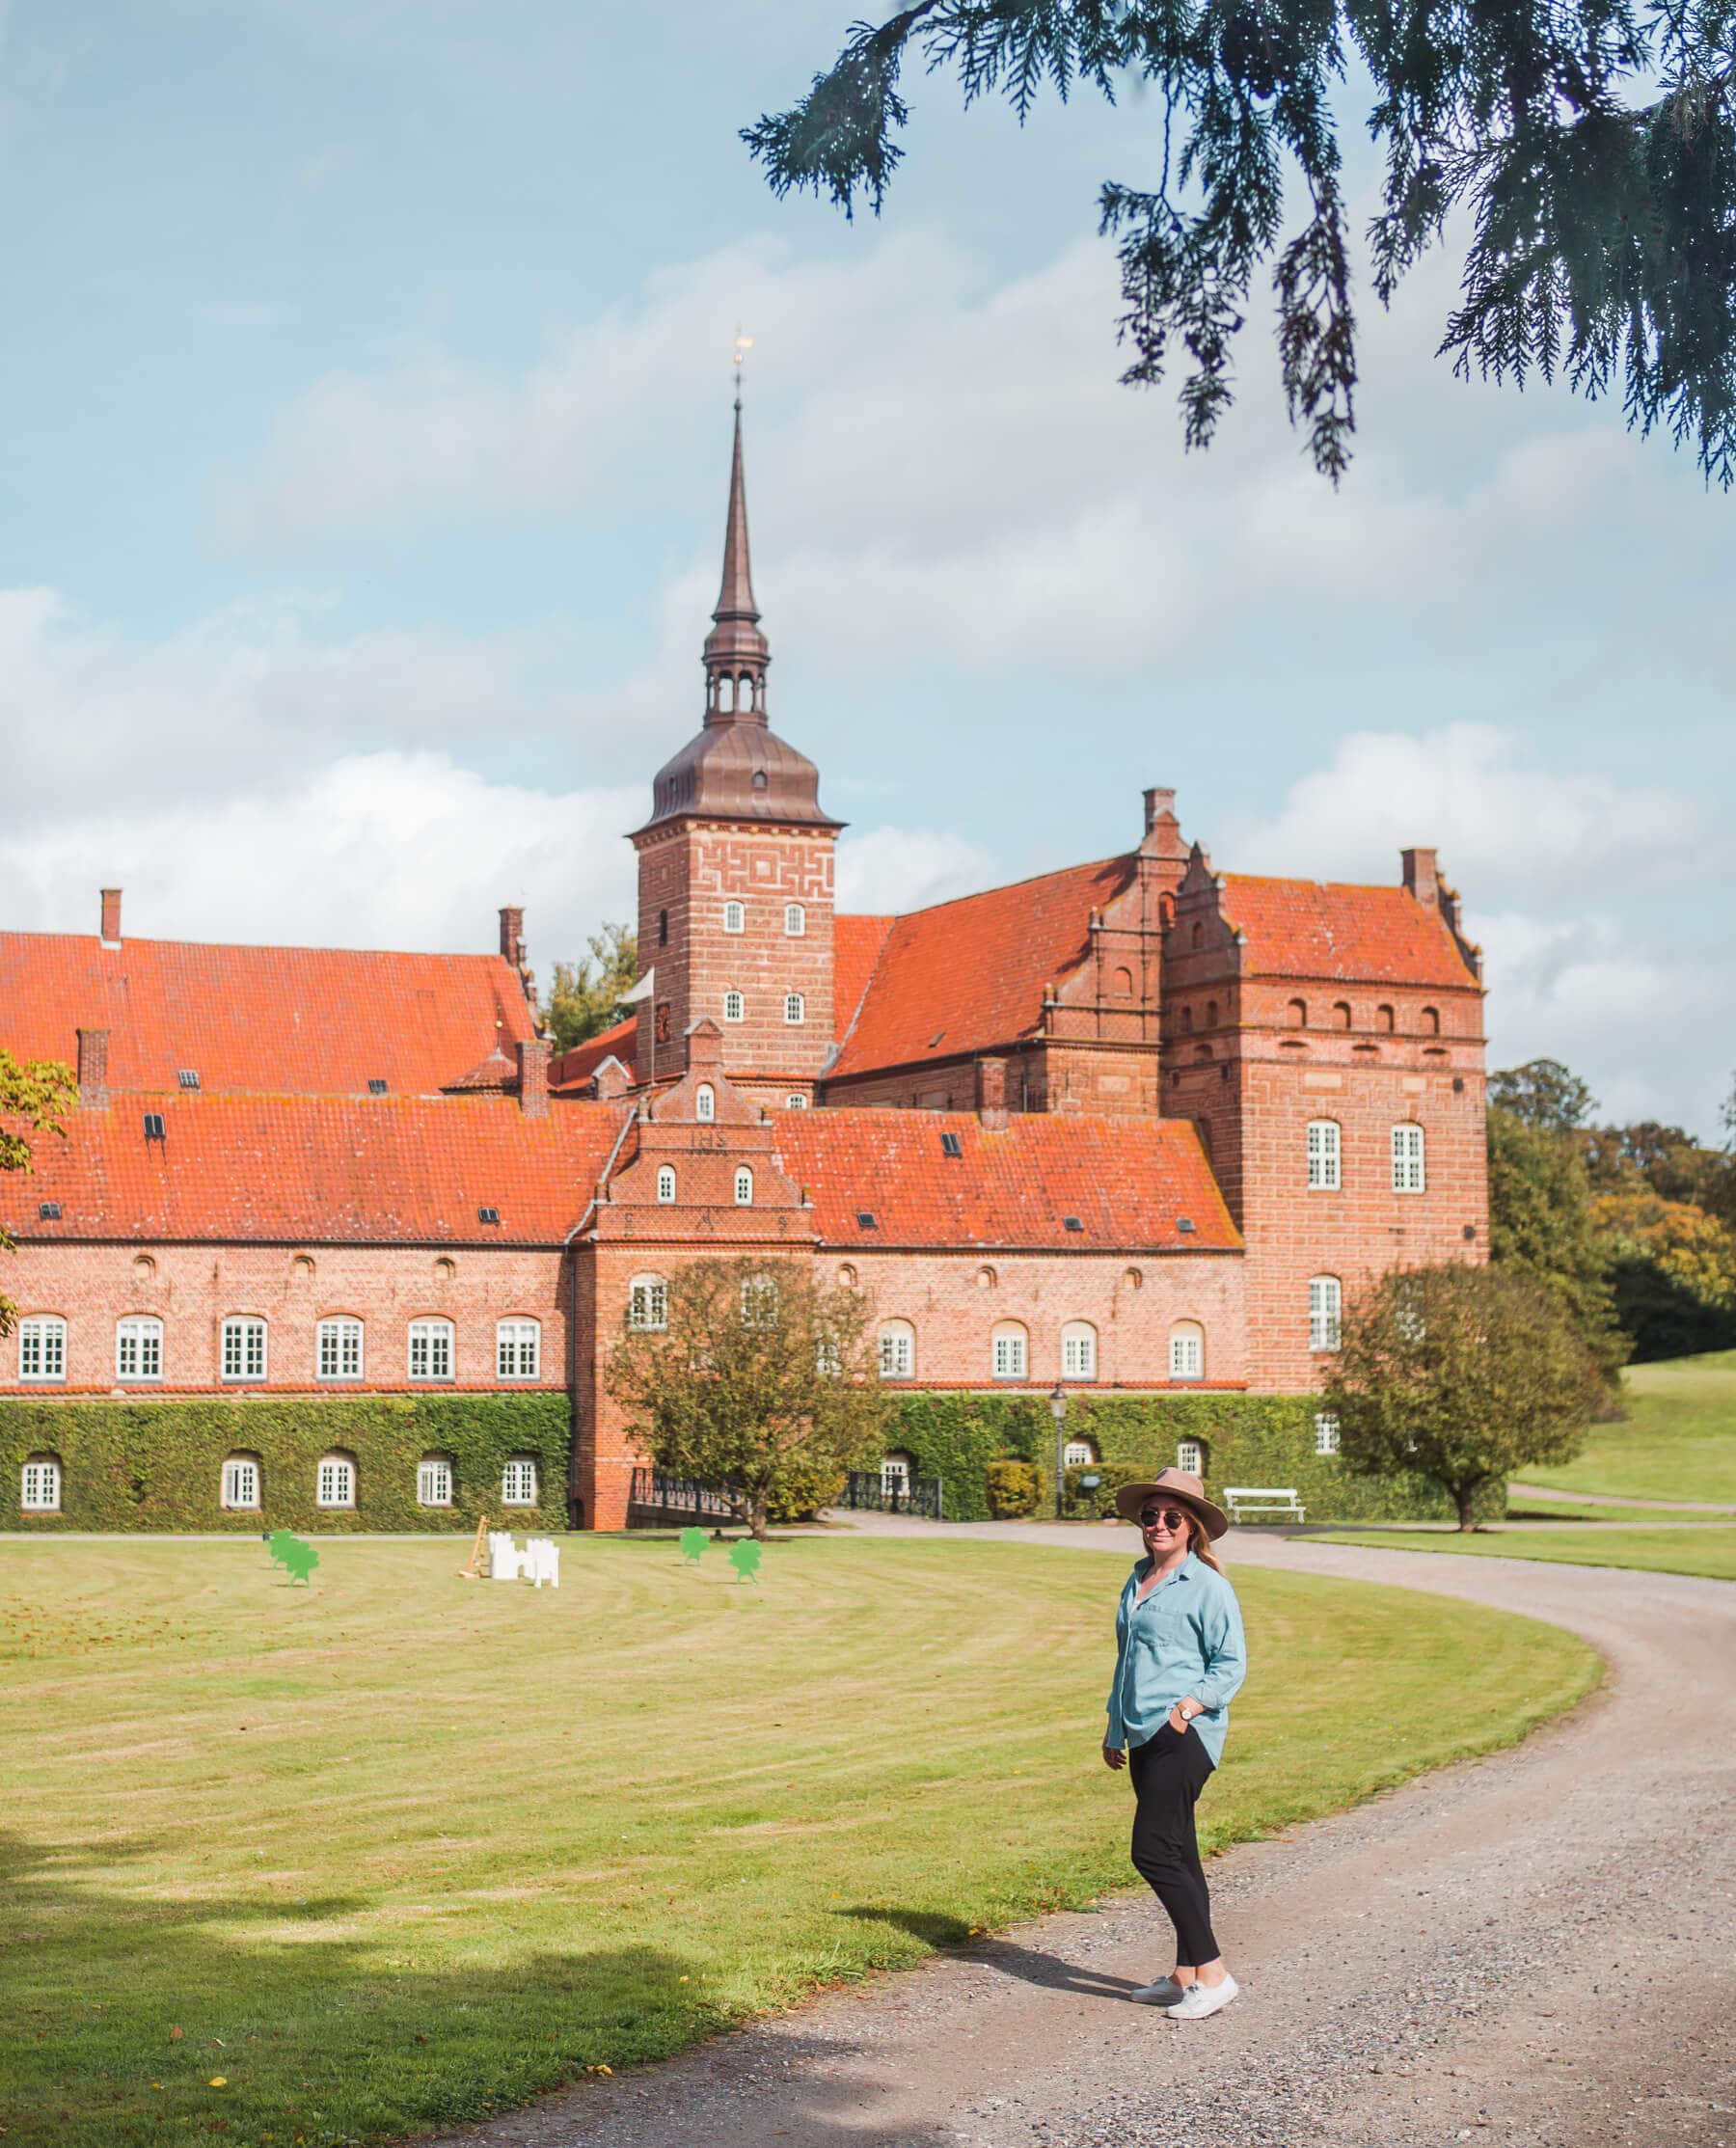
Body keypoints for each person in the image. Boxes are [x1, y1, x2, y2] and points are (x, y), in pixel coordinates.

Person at [1100, 1467, 1247, 2020]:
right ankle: (1185, 1975)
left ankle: (1212, 1974)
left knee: (1153, 1851)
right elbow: (1127, 1663)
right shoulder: (1137, 1578)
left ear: (1192, 1528)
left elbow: (1230, 1664)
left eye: (1172, 1517)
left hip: (1184, 1734)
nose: (1158, 1524)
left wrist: (1187, 1708)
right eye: (1150, 1515)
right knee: (1181, 1852)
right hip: (1140, 1733)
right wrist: (1115, 1727)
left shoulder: (1208, 1586)